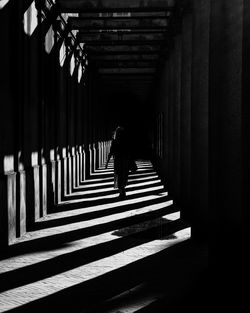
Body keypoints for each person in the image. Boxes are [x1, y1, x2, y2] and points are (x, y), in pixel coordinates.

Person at [106, 126, 130, 199]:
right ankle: (123, 190)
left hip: (118, 161)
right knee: (124, 175)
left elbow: (111, 152)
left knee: (119, 175)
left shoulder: (114, 141)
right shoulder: (126, 141)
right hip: (125, 161)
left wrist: (107, 162)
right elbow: (129, 151)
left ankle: (121, 192)